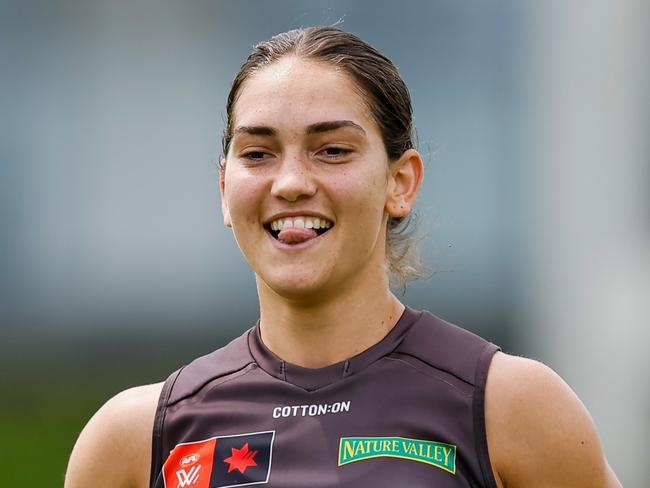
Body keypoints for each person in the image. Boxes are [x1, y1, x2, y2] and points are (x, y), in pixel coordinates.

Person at [65, 26, 621, 488]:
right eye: (257, 153)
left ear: (400, 182)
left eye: (332, 150)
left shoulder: (509, 406)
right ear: (223, 191)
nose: (289, 183)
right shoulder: (137, 439)